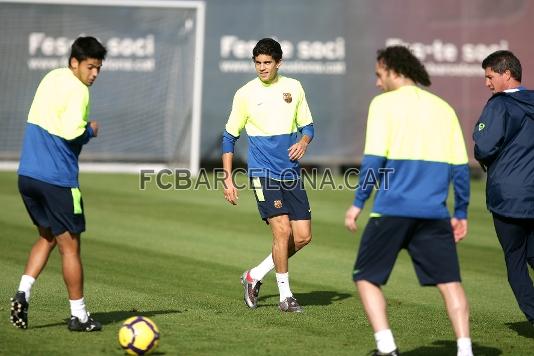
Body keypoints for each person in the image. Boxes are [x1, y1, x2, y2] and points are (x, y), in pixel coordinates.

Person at [344, 46, 473, 356]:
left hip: (392, 209)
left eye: (379, 75)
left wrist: (358, 202)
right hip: (434, 213)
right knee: (450, 282)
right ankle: (465, 350)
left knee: (365, 277)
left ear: (393, 70)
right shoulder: (444, 108)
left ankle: (386, 348)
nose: (377, 82)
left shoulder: (383, 105)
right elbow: (460, 168)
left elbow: (373, 160)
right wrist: (462, 212)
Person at [10, 36, 107, 331]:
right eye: (90, 67)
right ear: (74, 62)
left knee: (47, 237)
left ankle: (22, 292)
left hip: (27, 175)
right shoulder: (80, 92)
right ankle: (79, 316)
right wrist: (89, 131)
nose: (94, 74)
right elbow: (70, 133)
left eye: (98, 69)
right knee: (70, 249)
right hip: (57, 182)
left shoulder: (52, 76)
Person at [222, 38, 314, 313]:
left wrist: (303, 142)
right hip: (262, 174)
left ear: (278, 63)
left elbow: (308, 126)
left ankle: (254, 275)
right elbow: (229, 137)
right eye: (258, 63)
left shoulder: (293, 88)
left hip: (291, 174)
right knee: (282, 231)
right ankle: (286, 296)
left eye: (267, 63)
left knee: (302, 237)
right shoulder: (245, 94)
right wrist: (227, 177)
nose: (262, 68)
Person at [473, 50, 534, 326]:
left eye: (490, 76)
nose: (487, 83)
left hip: (508, 197)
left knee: (515, 261)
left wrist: (482, 152)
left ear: (506, 74)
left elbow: (484, 146)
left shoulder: (498, 105)